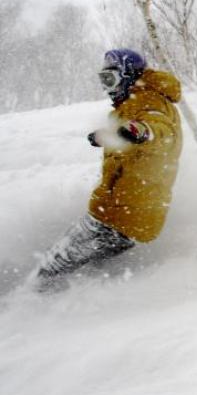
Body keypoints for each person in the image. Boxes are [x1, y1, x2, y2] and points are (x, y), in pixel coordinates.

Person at [31, 49, 183, 292]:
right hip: (124, 213)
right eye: (103, 80)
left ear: (128, 75)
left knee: (52, 266)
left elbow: (159, 129)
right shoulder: (133, 103)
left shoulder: (150, 101)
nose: (107, 88)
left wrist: (143, 130)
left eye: (110, 80)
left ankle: (30, 307)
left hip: (120, 217)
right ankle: (67, 304)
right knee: (74, 268)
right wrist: (108, 135)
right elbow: (132, 145)